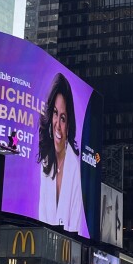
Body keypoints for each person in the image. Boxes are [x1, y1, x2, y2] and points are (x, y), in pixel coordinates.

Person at [37, 73, 86, 233]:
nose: (58, 124)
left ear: (69, 124)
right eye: (55, 114)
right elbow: (41, 217)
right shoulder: (46, 162)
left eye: (63, 118)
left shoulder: (76, 167)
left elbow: (75, 227)